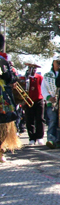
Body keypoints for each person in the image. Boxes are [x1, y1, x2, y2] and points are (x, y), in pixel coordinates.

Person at [0, 34, 22, 162]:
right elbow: (8, 77)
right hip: (1, 94)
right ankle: (0, 151)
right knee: (4, 123)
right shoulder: (2, 61)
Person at [41, 59, 60, 148]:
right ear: (53, 63)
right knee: (52, 120)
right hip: (52, 103)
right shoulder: (47, 75)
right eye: (57, 62)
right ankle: (51, 139)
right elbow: (43, 88)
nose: (59, 64)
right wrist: (48, 97)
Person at [22, 63, 45, 145]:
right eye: (31, 68)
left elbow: (43, 87)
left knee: (40, 119)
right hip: (28, 100)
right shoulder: (25, 78)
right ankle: (32, 138)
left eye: (35, 68)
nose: (33, 70)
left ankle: (40, 137)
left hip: (39, 99)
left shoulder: (40, 77)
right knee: (29, 119)